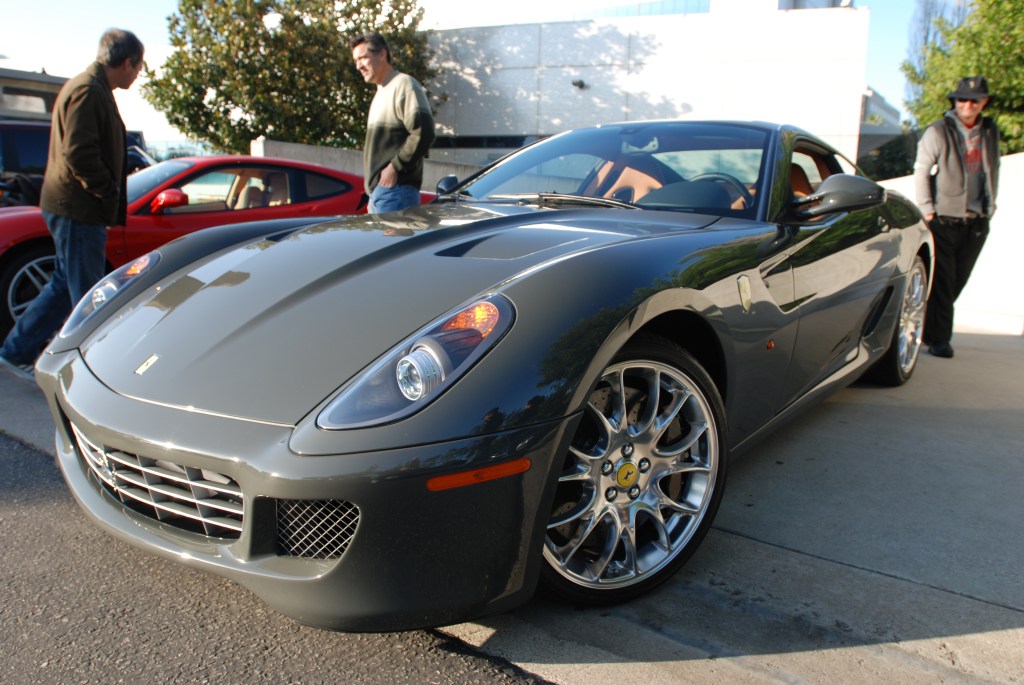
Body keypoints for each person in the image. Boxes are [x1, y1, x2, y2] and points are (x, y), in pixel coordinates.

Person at [0, 29, 144, 381]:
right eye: (139, 67)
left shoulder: (92, 87)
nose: (138, 74)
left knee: (65, 285)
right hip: (77, 209)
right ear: (127, 62)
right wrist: (107, 192)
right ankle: (91, 373)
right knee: (88, 296)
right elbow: (79, 153)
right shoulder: (87, 90)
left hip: (74, 206)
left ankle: (15, 352)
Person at [913, 76, 1000, 359]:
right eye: (963, 99)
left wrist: (990, 208)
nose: (968, 105)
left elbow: (994, 168)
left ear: (983, 102)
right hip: (944, 219)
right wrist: (928, 210)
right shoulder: (938, 130)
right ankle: (940, 341)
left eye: (975, 100)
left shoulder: (990, 131)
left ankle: (929, 329)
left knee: (958, 280)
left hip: (977, 220)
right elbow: (922, 170)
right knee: (943, 281)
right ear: (955, 101)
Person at [350, 32, 435, 214]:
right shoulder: (380, 93)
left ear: (382, 54)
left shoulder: (404, 84)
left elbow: (424, 132)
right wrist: (375, 192)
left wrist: (394, 168)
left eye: (363, 58)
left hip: (396, 191)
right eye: (356, 60)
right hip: (382, 194)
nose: (358, 66)